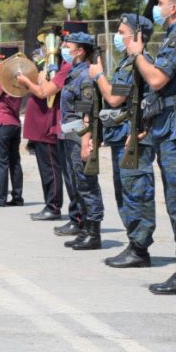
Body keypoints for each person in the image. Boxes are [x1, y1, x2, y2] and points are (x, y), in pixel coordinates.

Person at [126, 0, 176, 294]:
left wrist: (138, 54)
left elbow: (157, 79)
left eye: (161, 3)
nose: (157, 8)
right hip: (168, 126)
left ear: (174, 8)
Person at [90, 14, 157, 267]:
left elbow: (115, 98)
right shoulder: (127, 63)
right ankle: (134, 243)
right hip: (121, 137)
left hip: (134, 137)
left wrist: (98, 76)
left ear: (136, 36)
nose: (118, 37)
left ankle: (140, 248)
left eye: (121, 32)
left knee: (136, 192)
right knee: (125, 192)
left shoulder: (137, 63)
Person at [20, 29, 78, 233]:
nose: (46, 49)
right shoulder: (50, 66)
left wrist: (31, 81)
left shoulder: (64, 67)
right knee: (47, 168)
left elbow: (44, 92)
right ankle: (53, 205)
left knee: (52, 169)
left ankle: (54, 206)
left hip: (50, 124)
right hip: (40, 124)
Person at [57, 24, 104, 250]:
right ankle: (84, 228)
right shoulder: (74, 72)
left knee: (86, 184)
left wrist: (87, 142)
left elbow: (88, 111)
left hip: (80, 137)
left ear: (80, 51)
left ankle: (93, 232)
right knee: (77, 183)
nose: (64, 47)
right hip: (71, 135)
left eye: (69, 45)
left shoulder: (85, 75)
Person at [0, 46, 24, 207]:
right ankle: (17, 197)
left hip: (2, 122)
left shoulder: (4, 77)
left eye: (1, 60)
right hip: (15, 122)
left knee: (1, 162)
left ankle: (0, 198)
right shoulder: (20, 77)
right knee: (15, 161)